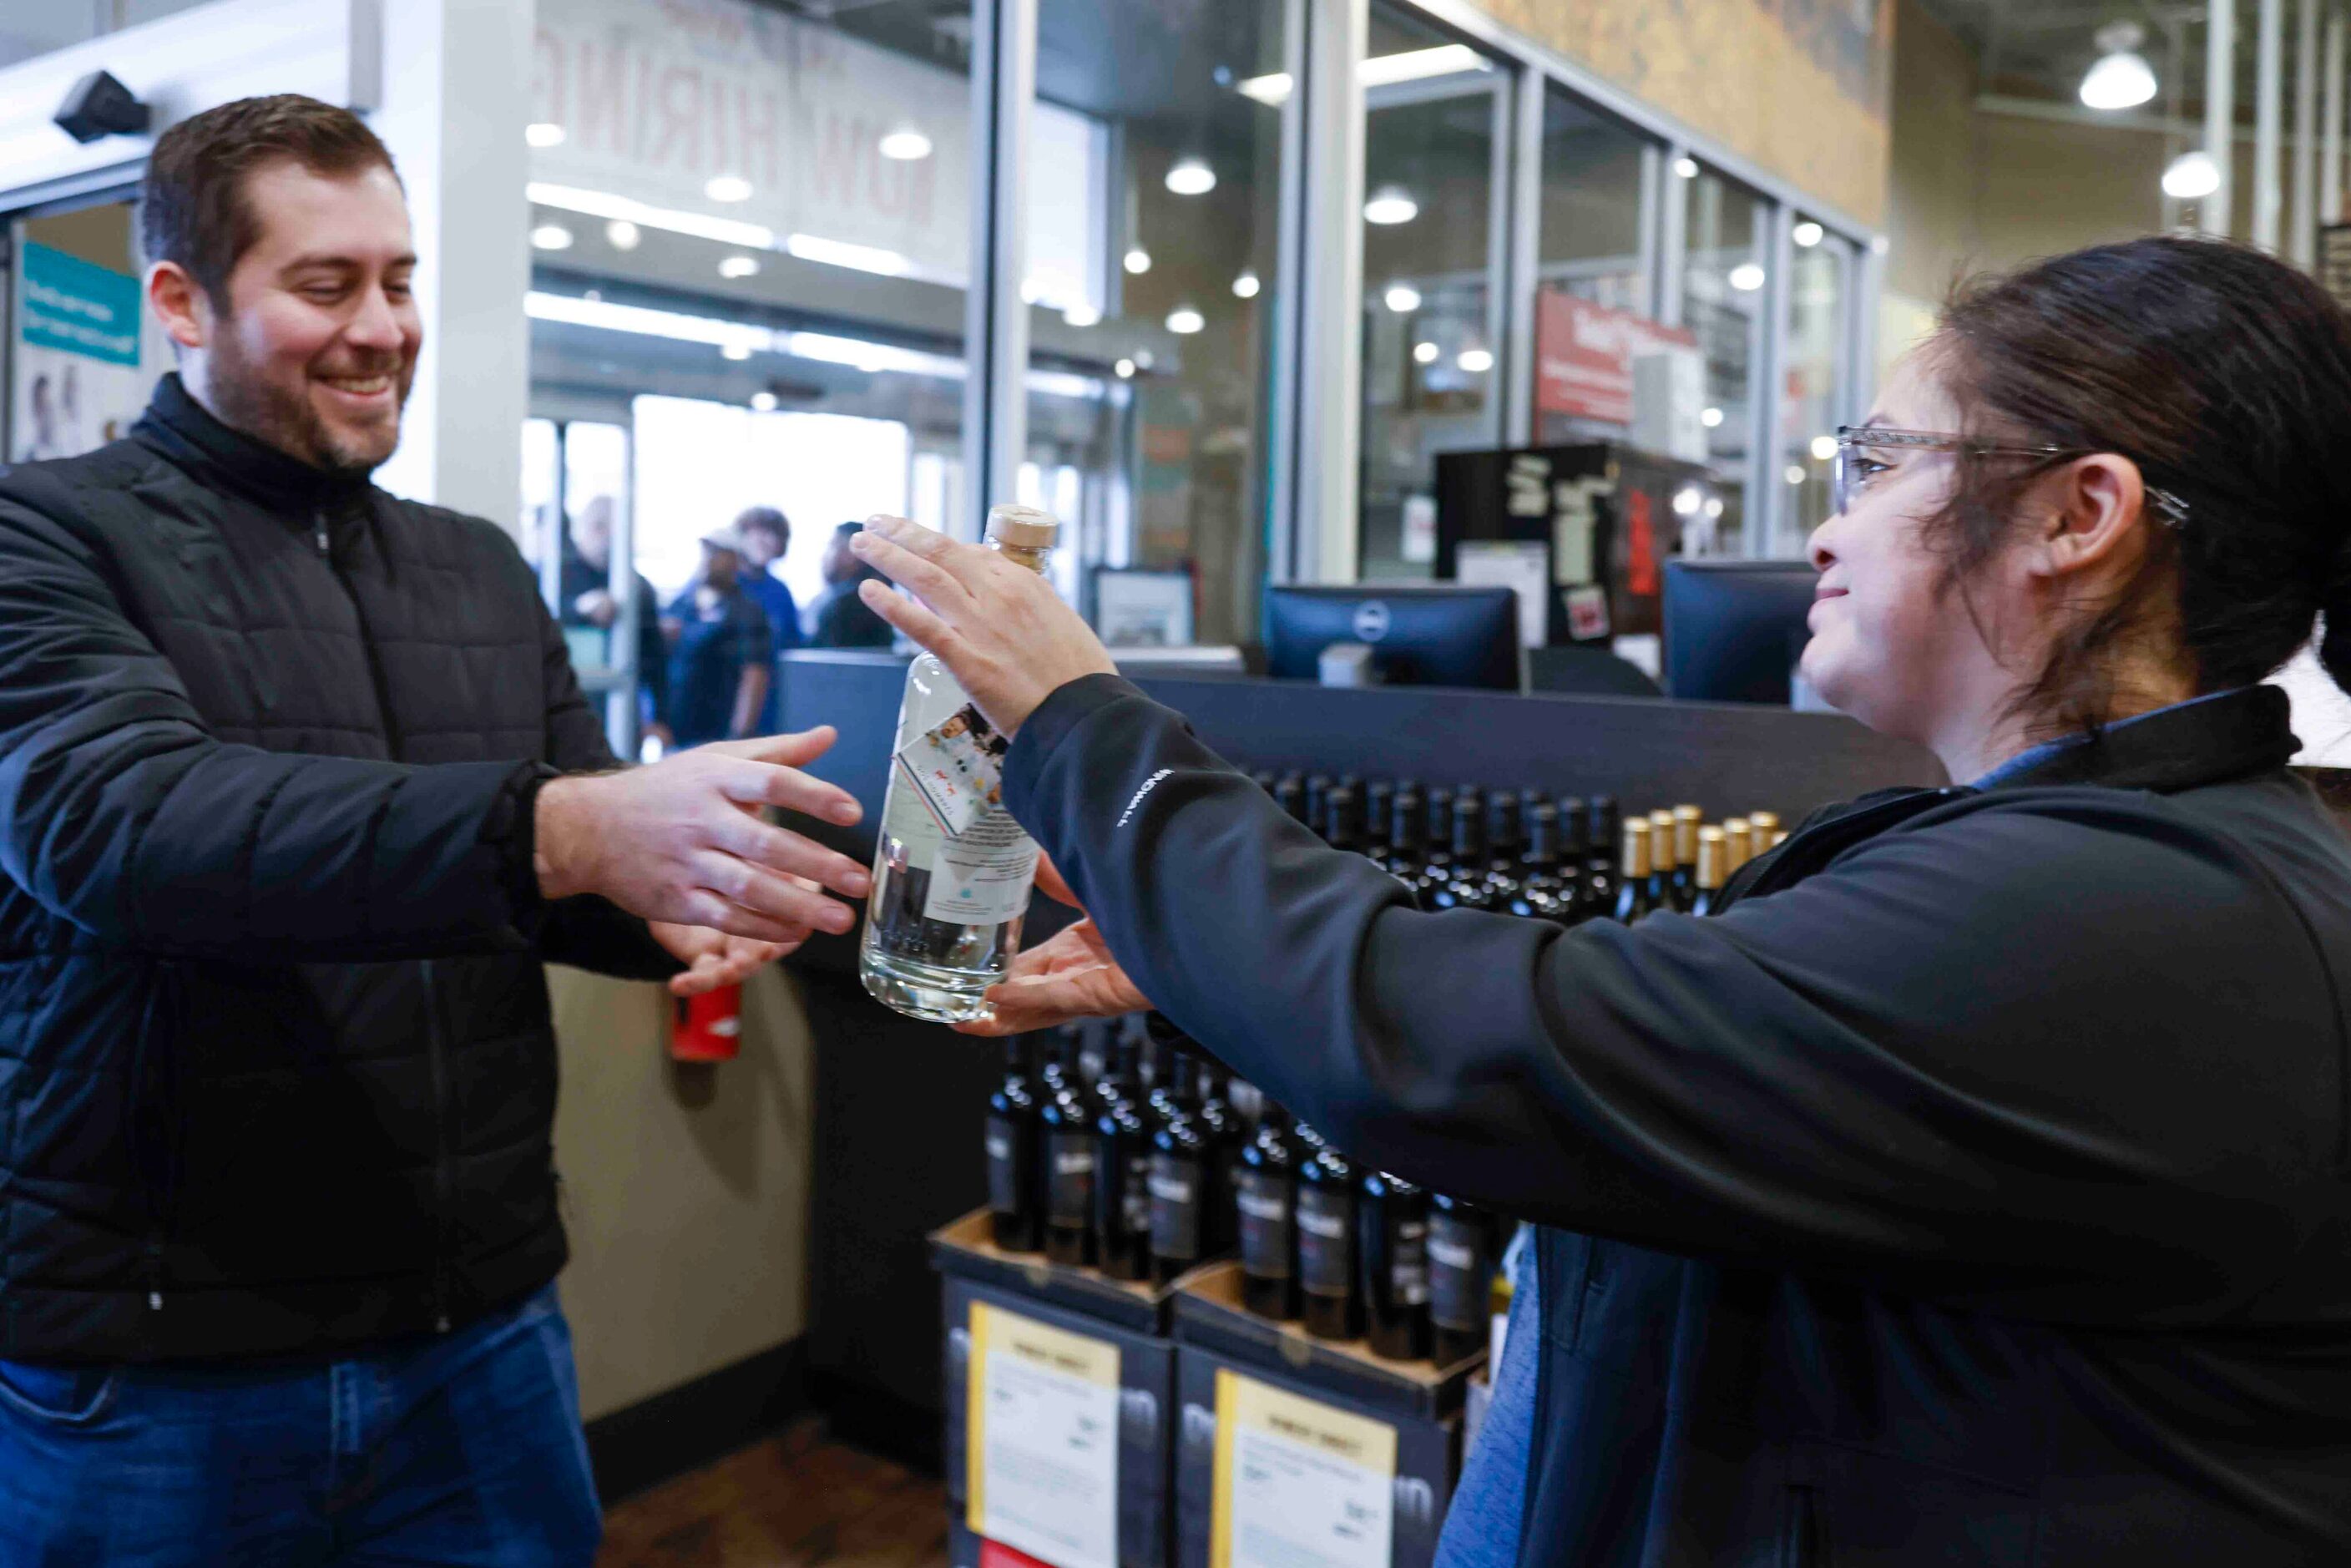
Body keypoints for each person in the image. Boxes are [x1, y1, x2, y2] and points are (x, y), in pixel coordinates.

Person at [848, 235, 2351, 1562]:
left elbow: (1481, 1041)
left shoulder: (2138, 911)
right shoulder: (2104, 860)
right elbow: (1624, 1031)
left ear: (2078, 516)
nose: (1824, 528)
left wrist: (1077, 720)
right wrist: (1210, 954)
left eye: (1880, 463)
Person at [0, 94, 870, 1565]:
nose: (382, 326)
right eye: (324, 286)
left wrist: (735, 882)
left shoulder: (475, 567)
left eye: (399, 282)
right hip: (154, 1355)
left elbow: (564, 869)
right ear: (178, 304)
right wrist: (577, 832)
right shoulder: (45, 533)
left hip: (478, 1324)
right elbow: (121, 823)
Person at [559, 493, 670, 747]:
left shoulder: (638, 587)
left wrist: (659, 719)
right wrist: (579, 609)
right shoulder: (555, 575)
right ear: (581, 528)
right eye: (598, 525)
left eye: (613, 527)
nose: (606, 535)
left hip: (620, 710)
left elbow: (655, 659)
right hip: (565, 706)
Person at [662, 522, 774, 748]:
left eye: (716, 553)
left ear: (734, 560)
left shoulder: (747, 612)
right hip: (675, 736)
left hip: (717, 738)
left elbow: (754, 675)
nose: (707, 559)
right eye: (705, 551)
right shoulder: (682, 605)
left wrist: (739, 738)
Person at [736, 504, 801, 732]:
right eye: (759, 532)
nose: (766, 540)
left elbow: (792, 647)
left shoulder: (780, 592)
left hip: (770, 703)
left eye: (774, 535)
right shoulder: (724, 585)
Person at [805, 520, 896, 648]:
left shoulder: (849, 607)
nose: (824, 556)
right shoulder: (826, 599)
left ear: (852, 555)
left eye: (832, 546)